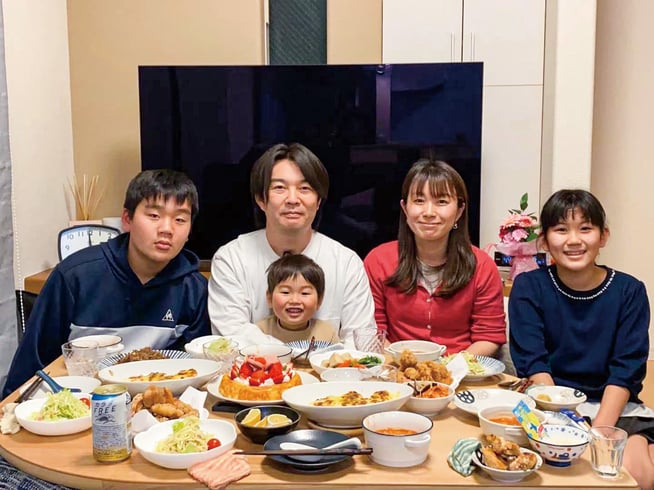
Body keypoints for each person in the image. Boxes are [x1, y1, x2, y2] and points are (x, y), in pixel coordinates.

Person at [3, 169, 210, 397]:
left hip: (155, 403)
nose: (167, 229)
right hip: (82, 399)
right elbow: (32, 365)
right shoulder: (75, 276)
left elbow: (195, 372)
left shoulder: (193, 288)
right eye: (154, 215)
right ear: (127, 219)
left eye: (180, 219)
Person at [509, 189, 654, 489]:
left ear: (603, 236)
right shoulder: (529, 287)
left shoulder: (629, 291)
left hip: (614, 408)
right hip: (549, 407)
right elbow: (533, 363)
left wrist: (598, 433)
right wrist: (567, 425)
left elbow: (626, 370)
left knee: (637, 474)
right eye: (561, 230)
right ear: (544, 241)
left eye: (585, 228)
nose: (573, 240)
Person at [208, 142, 375, 347]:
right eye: (280, 188)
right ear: (261, 199)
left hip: (331, 368)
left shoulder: (346, 263)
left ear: (318, 201)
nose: (293, 199)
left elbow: (361, 341)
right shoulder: (231, 259)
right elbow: (232, 338)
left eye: (304, 188)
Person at [364, 159, 505, 355]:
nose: (429, 212)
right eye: (419, 201)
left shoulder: (481, 266)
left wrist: (452, 366)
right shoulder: (378, 261)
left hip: (461, 367)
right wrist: (402, 363)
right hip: (395, 365)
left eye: (441, 202)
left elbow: (489, 336)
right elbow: (373, 330)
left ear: (459, 211)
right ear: (405, 208)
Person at [255, 254, 339, 344]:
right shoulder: (259, 332)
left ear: (319, 300)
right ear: (269, 298)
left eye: (305, 293)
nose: (295, 300)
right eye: (285, 292)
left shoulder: (328, 334)